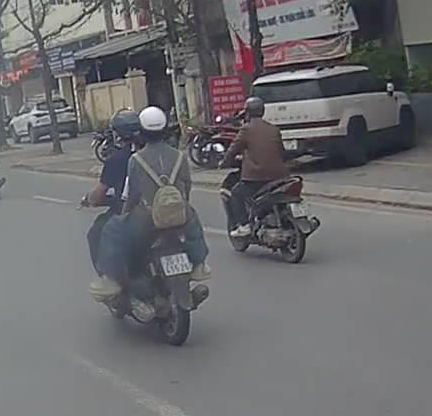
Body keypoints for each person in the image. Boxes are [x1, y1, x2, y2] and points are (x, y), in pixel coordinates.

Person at [91, 106, 212, 301]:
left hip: (148, 218)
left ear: (142, 131)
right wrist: (181, 208)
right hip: (179, 213)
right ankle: (199, 265)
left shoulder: (136, 160)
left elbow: (132, 195)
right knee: (193, 223)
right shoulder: (180, 156)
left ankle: (111, 279)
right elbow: (187, 186)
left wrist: (125, 215)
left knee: (111, 229)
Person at [222, 96, 288, 238]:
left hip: (257, 177)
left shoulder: (246, 129)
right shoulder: (273, 129)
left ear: (248, 113)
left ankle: (244, 225)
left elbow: (233, 150)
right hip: (280, 176)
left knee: (236, 194)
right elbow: (282, 152)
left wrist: (224, 162)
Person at [82, 110, 140, 273]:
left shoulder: (116, 160)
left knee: (96, 233)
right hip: (160, 208)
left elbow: (99, 194)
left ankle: (108, 278)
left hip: (129, 213)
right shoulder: (155, 153)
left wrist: (90, 199)